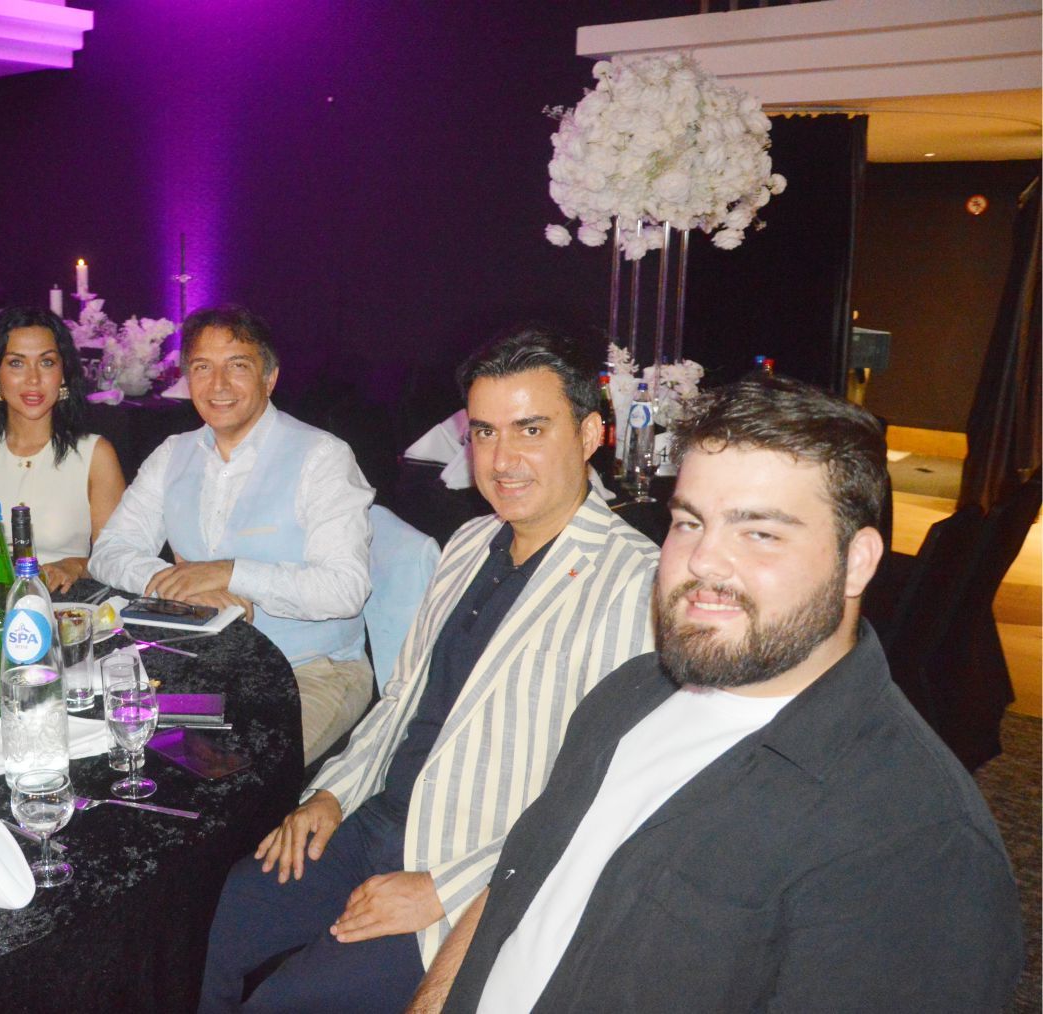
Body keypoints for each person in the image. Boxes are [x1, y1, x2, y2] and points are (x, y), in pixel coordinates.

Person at [415, 376, 1025, 1014]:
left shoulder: (915, 843)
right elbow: (513, 889)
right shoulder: (629, 695)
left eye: (758, 532)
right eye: (689, 522)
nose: (703, 561)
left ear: (858, 562)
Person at [196, 327, 658, 1013]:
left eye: (531, 430)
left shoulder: (636, 583)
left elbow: (606, 798)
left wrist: (447, 888)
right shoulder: (469, 541)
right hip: (376, 818)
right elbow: (402, 698)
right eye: (485, 433)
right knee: (212, 919)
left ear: (591, 434)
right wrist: (332, 794)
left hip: (472, 867)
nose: (502, 460)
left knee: (288, 1003)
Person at [92, 305, 377, 765]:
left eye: (237, 366)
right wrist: (181, 587)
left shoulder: (322, 457)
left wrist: (230, 573)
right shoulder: (173, 454)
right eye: (202, 368)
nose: (218, 385)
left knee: (241, 775)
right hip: (201, 664)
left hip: (312, 671)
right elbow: (109, 551)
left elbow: (344, 590)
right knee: (116, 749)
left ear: (269, 378)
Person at [0, 307, 125, 592]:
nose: (33, 379)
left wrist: (74, 566)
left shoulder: (95, 455)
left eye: (47, 362)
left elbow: (117, 557)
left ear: (63, 374)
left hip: (68, 605)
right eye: (16, 363)